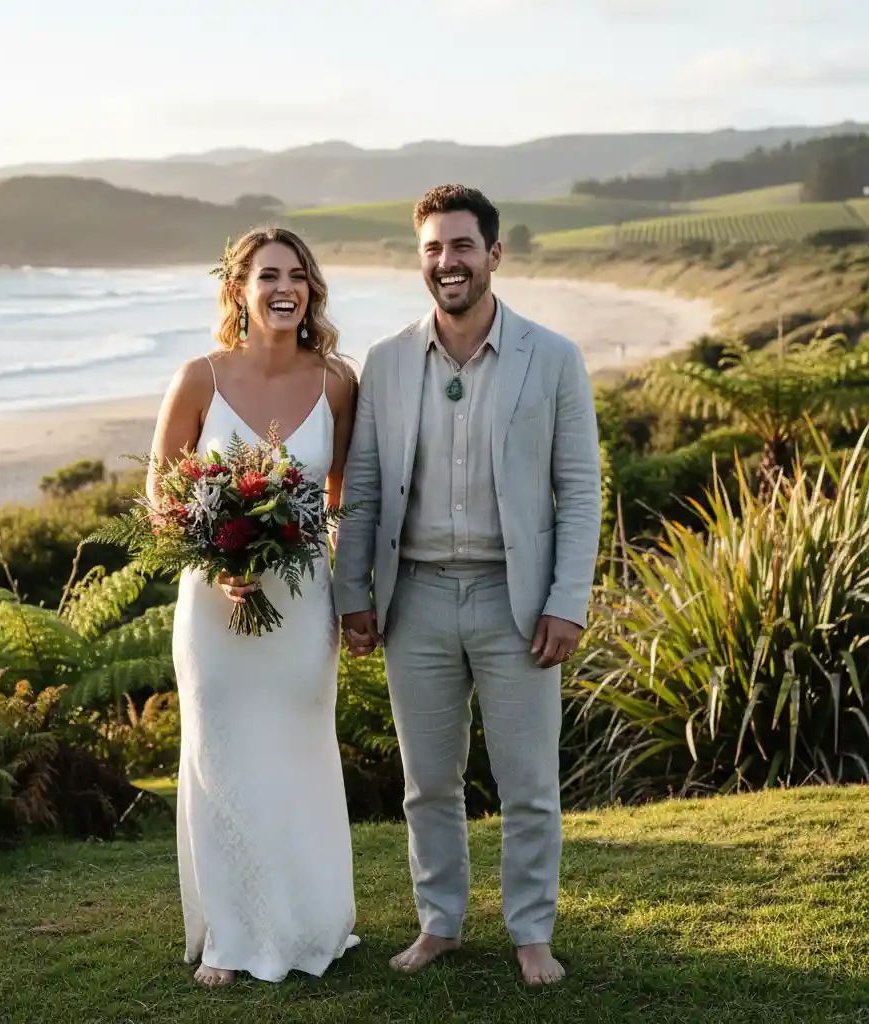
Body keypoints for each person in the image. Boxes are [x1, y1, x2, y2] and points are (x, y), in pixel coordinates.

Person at [333, 184, 602, 986]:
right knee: (428, 784)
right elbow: (367, 487)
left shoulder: (552, 357)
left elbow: (581, 489)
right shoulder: (385, 362)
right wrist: (354, 594)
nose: (446, 263)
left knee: (527, 784)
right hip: (412, 599)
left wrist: (567, 601)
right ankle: (440, 924)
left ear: (494, 254)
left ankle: (531, 935)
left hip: (514, 604)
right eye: (432, 250)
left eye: (460, 247)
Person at [148, 227, 359, 986]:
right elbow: (160, 498)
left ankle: (310, 923)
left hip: (303, 606)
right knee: (224, 759)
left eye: (298, 275)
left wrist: (332, 570)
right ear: (238, 287)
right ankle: (230, 938)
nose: (285, 287)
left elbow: (342, 498)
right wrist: (219, 560)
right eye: (268, 274)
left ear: (311, 290)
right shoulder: (199, 377)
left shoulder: (337, 381)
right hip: (214, 609)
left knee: (299, 757)